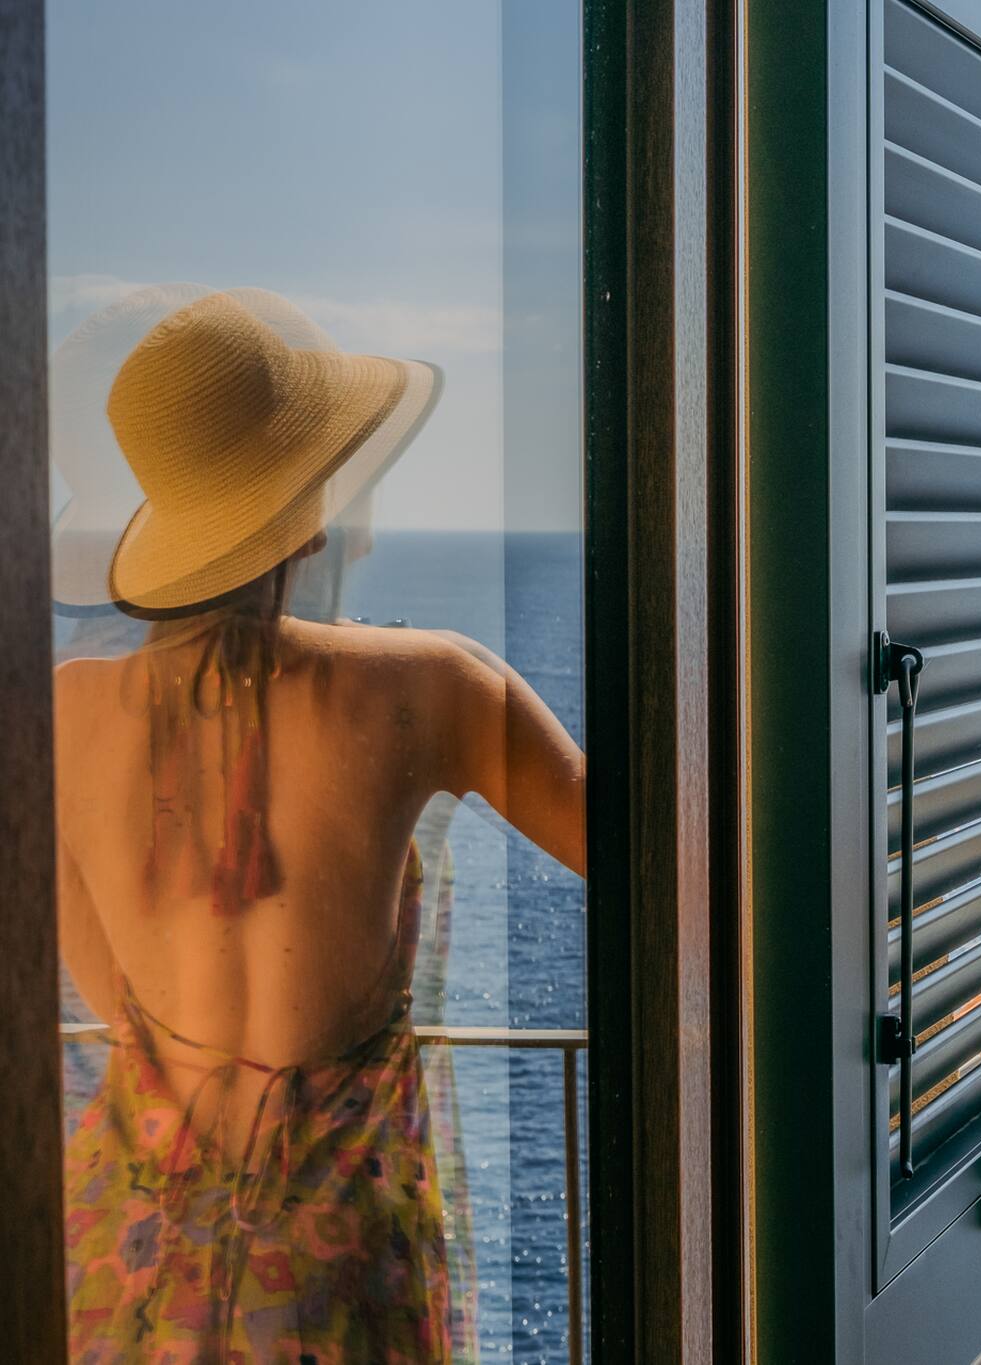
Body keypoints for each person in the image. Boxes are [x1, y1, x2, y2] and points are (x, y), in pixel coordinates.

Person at [55, 291, 587, 1361]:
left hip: (129, 1253)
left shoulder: (57, 715)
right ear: (304, 509)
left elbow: (117, 1002)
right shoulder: (429, 687)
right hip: (335, 1271)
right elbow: (665, 862)